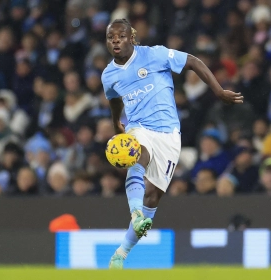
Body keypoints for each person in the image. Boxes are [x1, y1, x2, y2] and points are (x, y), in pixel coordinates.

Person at [101, 18, 243, 269]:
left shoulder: (155, 55)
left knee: (153, 197)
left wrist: (219, 91)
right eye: (111, 37)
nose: (116, 41)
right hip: (138, 127)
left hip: (168, 134)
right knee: (137, 154)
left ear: (131, 38)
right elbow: (114, 100)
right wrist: (116, 125)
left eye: (121, 36)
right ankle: (135, 212)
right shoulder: (108, 74)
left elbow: (193, 61)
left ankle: (121, 254)